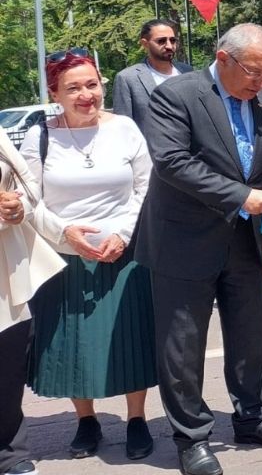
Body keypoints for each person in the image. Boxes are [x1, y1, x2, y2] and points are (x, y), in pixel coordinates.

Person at [137, 23, 262, 475]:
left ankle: (253, 418)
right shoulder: (177, 94)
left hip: (244, 238)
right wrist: (238, 195)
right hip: (184, 239)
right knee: (183, 346)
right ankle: (192, 438)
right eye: (255, 71)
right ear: (224, 58)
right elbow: (173, 162)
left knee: (251, 336)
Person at [20, 51, 157, 461]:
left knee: (130, 338)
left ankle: (136, 419)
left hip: (122, 253)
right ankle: (86, 420)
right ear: (54, 94)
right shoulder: (39, 136)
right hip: (63, 257)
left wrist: (123, 232)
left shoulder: (126, 129)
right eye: (73, 88)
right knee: (75, 343)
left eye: (92, 84)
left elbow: (145, 187)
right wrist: (65, 233)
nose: (86, 95)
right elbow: (29, 200)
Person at [1, 132, 65, 475]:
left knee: (9, 359)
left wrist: (17, 208)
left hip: (5, 266)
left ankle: (9, 452)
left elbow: (27, 189)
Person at [112, 19, 193, 134]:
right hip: (150, 150)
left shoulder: (187, 72)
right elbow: (123, 126)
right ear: (145, 43)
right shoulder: (127, 78)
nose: (169, 46)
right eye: (161, 41)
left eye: (173, 40)